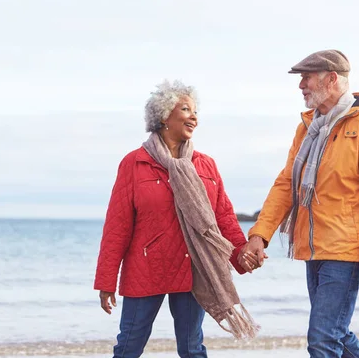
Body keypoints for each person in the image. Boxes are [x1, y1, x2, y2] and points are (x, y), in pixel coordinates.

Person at [243, 50, 359, 358]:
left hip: (347, 251)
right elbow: (287, 184)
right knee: (335, 333)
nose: (301, 85)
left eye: (307, 77)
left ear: (332, 79)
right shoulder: (308, 128)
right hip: (314, 249)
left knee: (323, 338)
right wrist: (260, 234)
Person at [94, 80, 260, 358]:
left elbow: (223, 218)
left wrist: (241, 254)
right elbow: (117, 226)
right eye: (185, 109)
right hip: (147, 268)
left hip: (195, 266)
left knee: (192, 348)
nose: (194, 117)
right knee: (128, 346)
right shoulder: (135, 163)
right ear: (163, 116)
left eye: (196, 111)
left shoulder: (205, 164)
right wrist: (106, 280)